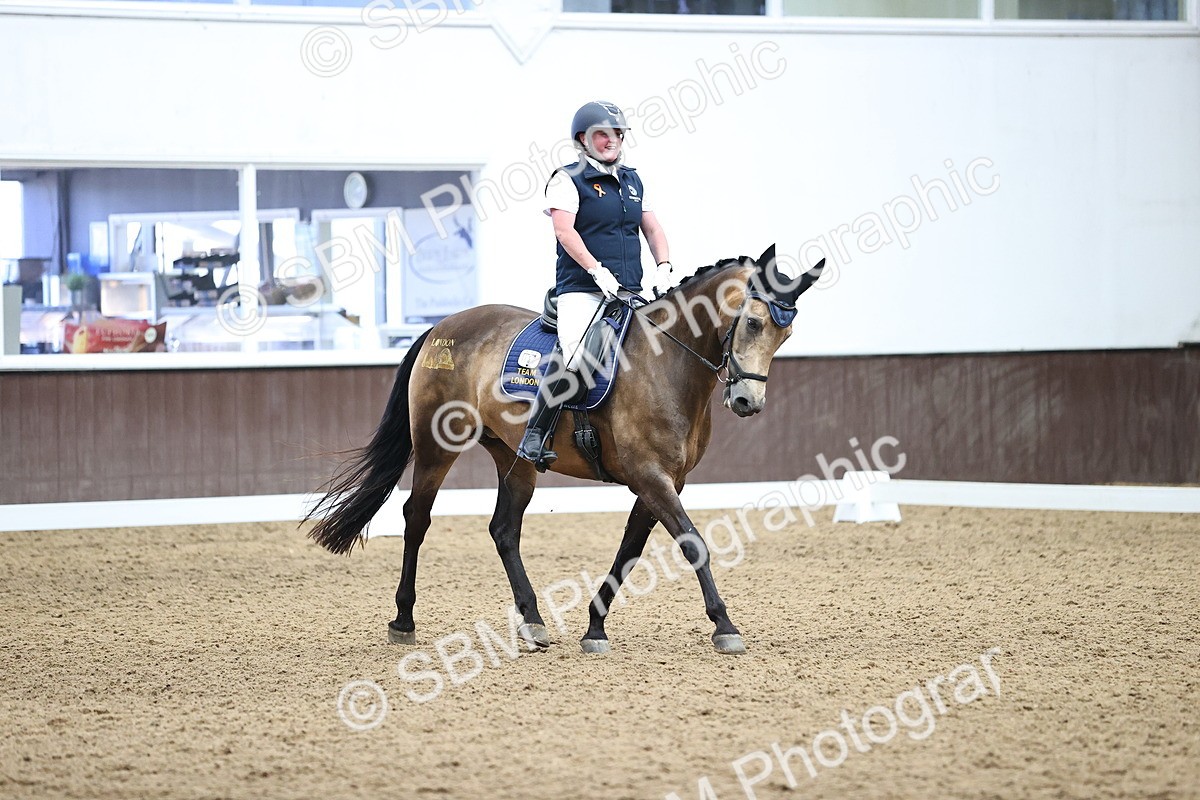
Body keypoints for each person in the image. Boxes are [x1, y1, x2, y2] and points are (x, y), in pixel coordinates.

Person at [516, 100, 676, 470]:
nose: (611, 140)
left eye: (617, 134)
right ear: (582, 140)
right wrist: (596, 271)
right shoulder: (567, 179)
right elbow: (563, 230)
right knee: (576, 356)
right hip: (582, 290)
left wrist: (664, 265)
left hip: (629, 291)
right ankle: (535, 436)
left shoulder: (633, 180)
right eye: (602, 134)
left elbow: (651, 227)